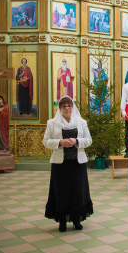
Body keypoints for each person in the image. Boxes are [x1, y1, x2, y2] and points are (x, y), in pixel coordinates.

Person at [43, 96, 93, 232]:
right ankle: (62, 221)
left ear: (73, 107)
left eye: (69, 106)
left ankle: (77, 220)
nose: (67, 108)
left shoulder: (82, 122)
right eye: (64, 106)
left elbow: (89, 140)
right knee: (61, 192)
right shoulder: (52, 123)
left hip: (78, 163)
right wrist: (60, 143)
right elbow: (46, 141)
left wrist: (76, 141)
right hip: (60, 164)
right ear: (59, 108)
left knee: (78, 191)